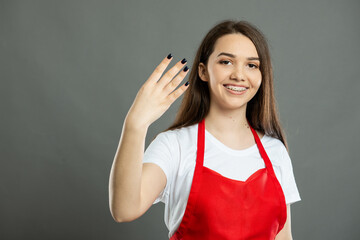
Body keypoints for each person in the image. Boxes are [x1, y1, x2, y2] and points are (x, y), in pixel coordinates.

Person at [109, 19, 301, 240]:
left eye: (252, 65)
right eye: (226, 62)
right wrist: (135, 124)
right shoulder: (175, 145)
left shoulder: (275, 152)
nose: (239, 75)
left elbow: (283, 237)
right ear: (203, 71)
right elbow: (124, 210)